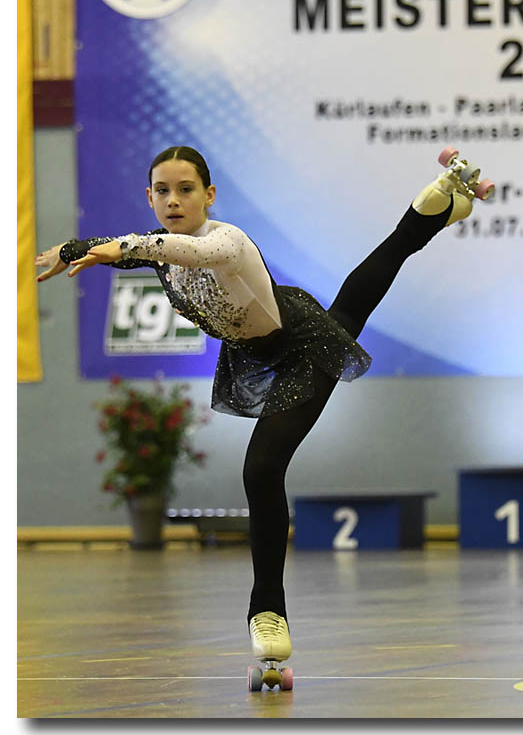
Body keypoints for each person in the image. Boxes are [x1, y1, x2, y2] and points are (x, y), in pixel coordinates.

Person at [35, 145, 489, 677]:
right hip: (254, 351)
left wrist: (95, 247)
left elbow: (171, 250)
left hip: (300, 349)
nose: (174, 200)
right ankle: (436, 209)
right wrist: (84, 248)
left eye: (186, 190)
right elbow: (149, 249)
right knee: (355, 299)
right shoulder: (158, 245)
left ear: (209, 195)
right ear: (149, 196)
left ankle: (268, 611)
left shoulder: (225, 240)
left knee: (263, 467)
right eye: (162, 190)